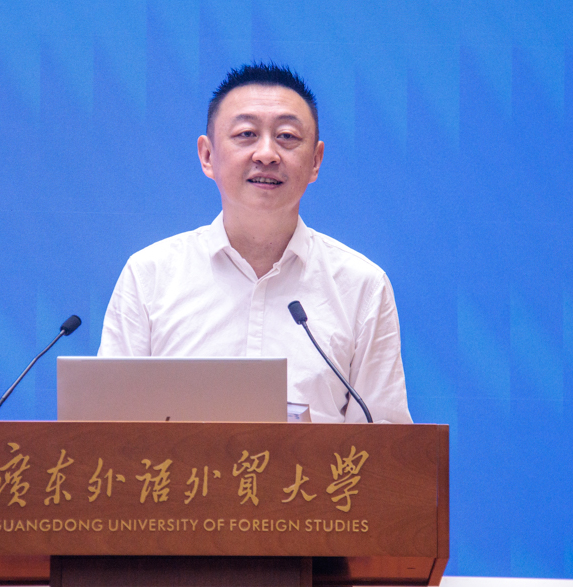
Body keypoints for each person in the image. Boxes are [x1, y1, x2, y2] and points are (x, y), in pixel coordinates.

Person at [98, 63, 412, 424]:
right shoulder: (150, 276)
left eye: (287, 136)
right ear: (207, 156)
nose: (266, 154)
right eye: (246, 134)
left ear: (315, 161)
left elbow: (385, 438)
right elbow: (107, 428)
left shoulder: (362, 286)